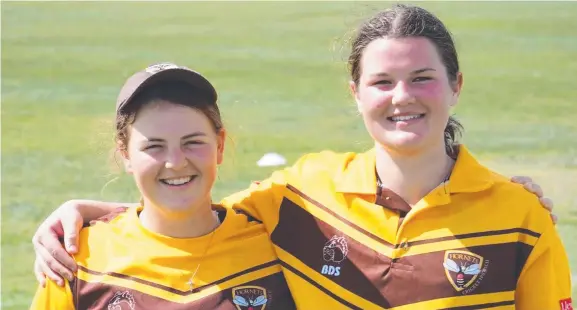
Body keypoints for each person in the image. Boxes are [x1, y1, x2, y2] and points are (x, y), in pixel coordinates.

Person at [32, 4, 570, 310]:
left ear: (456, 85)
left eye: (422, 78)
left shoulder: (520, 216)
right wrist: (80, 212)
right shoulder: (303, 193)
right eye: (382, 81)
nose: (402, 97)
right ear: (355, 94)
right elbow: (189, 210)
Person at [30, 63, 296, 309]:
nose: (175, 162)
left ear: (220, 145)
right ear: (125, 154)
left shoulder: (278, 251)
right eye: (154, 146)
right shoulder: (78, 261)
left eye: (192, 142)